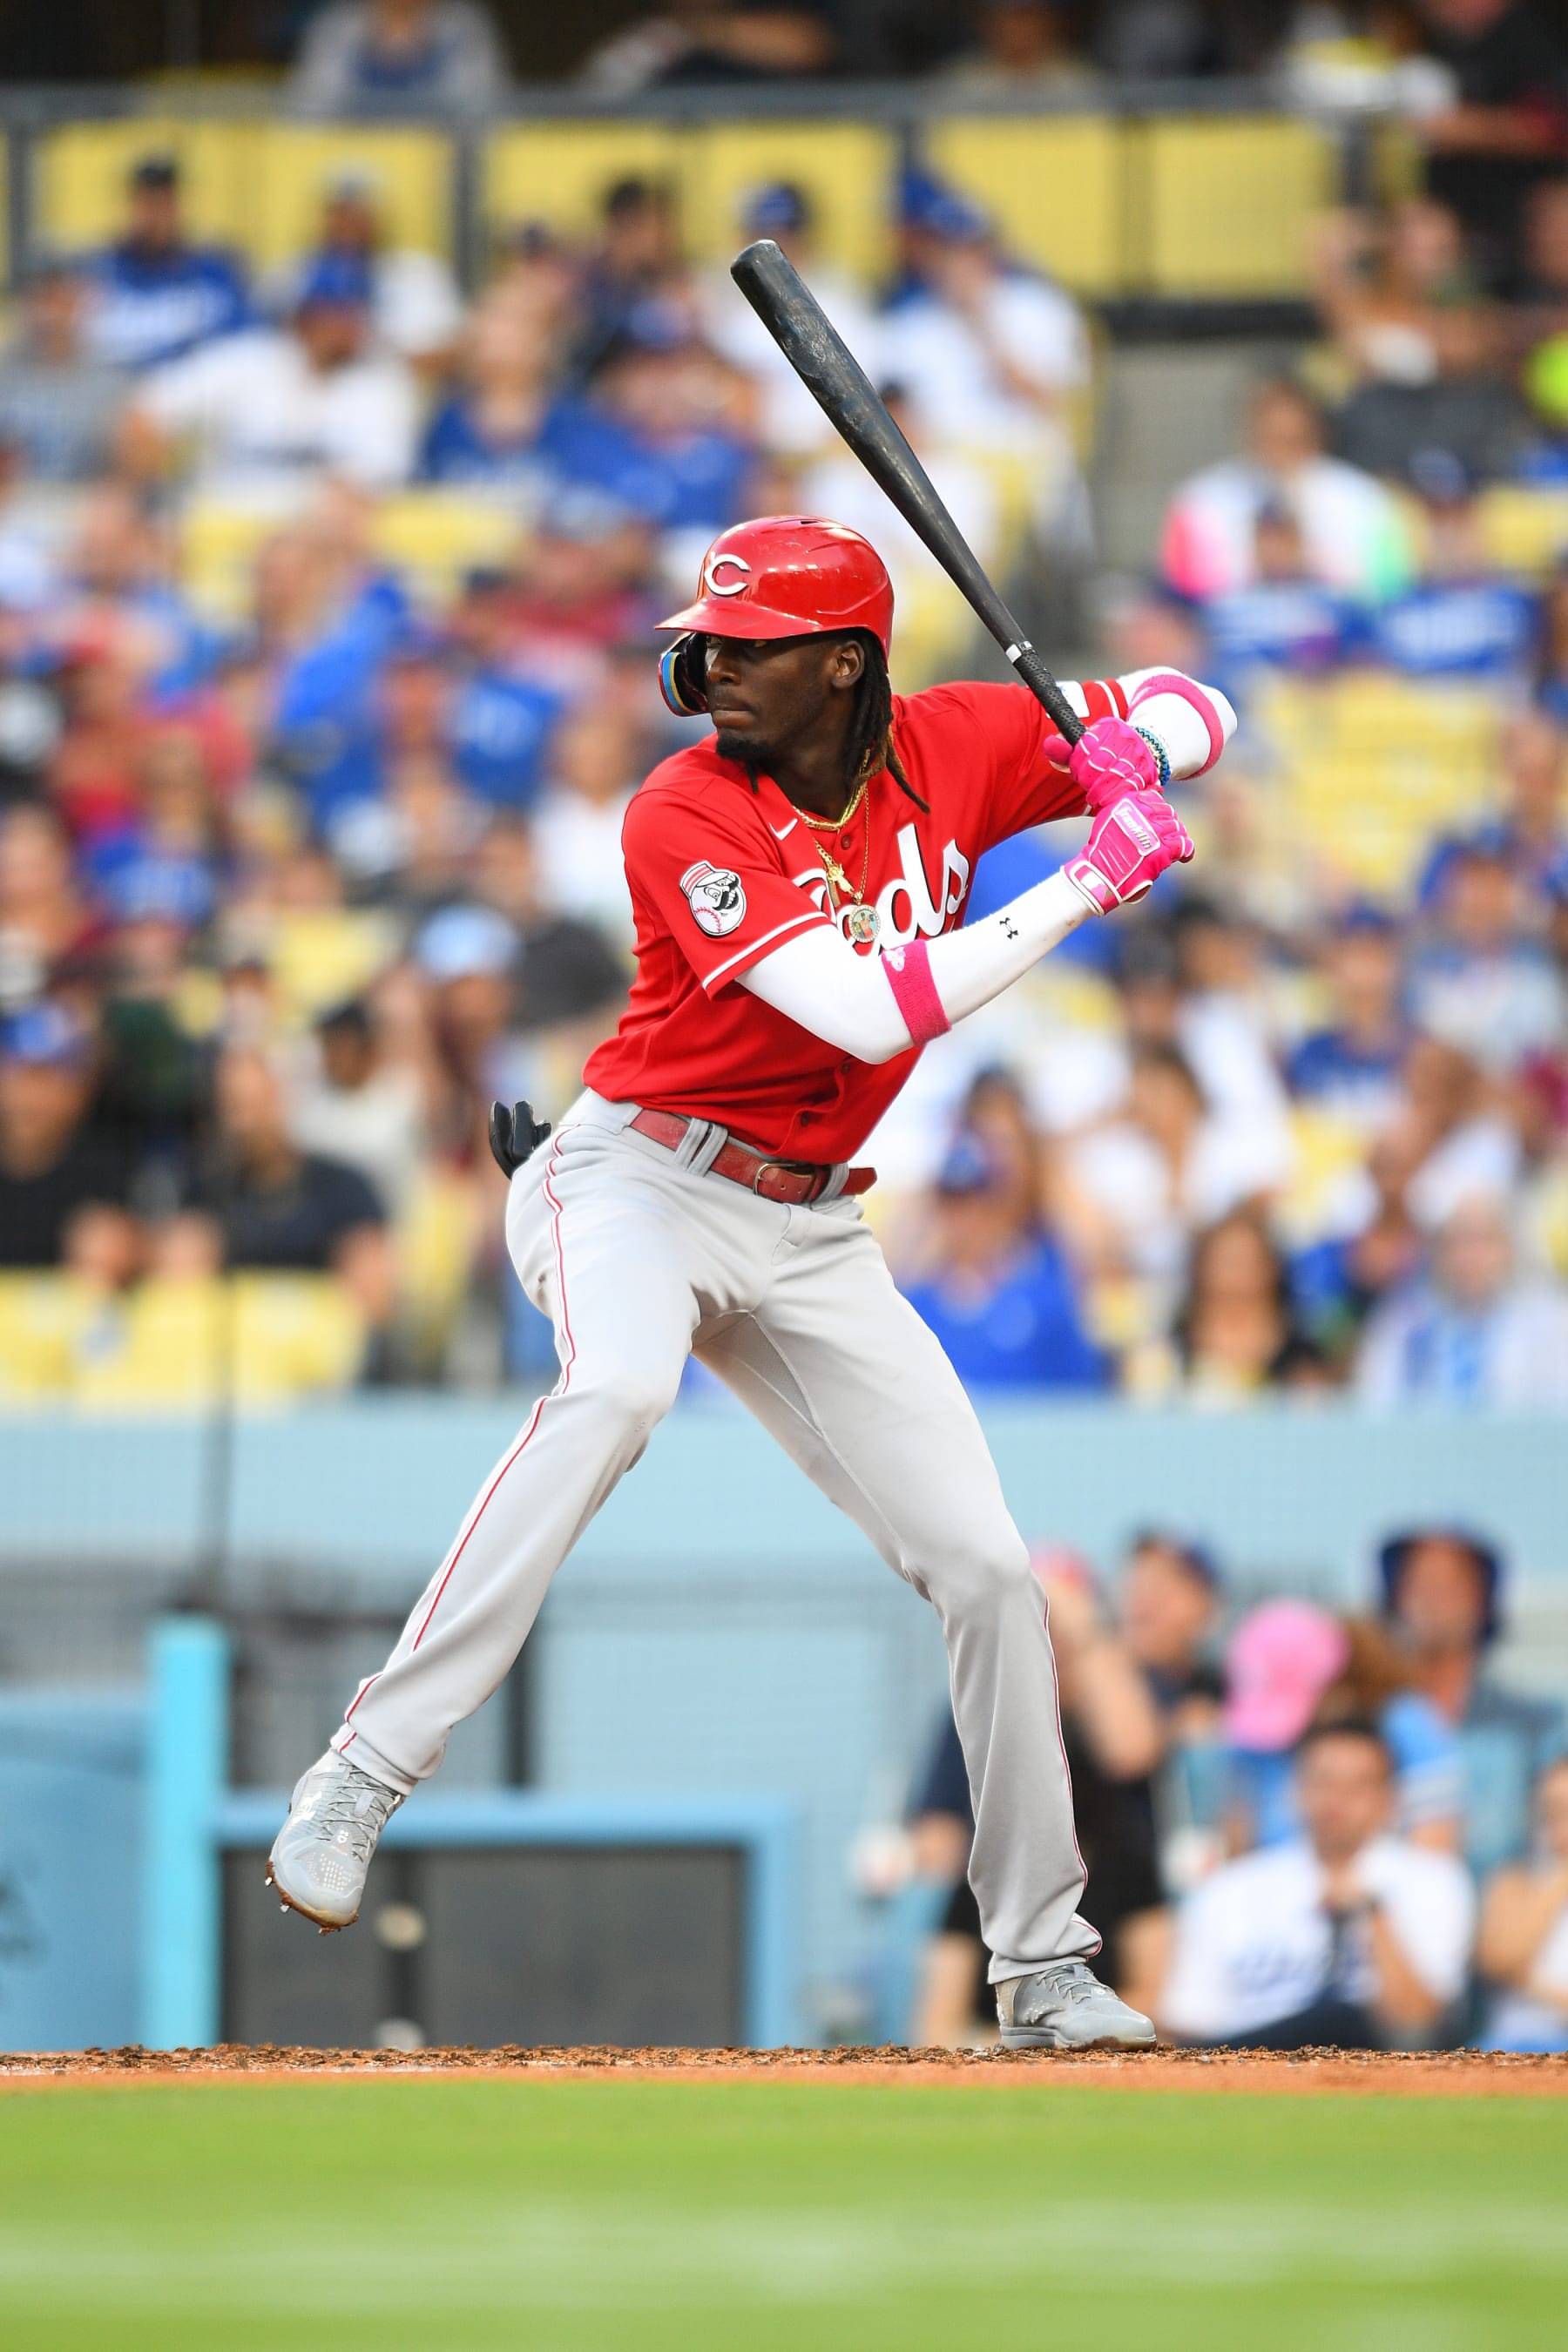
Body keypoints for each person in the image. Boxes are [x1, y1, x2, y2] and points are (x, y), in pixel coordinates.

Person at [267, 510, 1236, 2055]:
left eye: (749, 644)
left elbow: (1204, 704)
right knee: (617, 1389)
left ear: (844, 665)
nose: (709, 663)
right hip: (631, 1178)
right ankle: (362, 1775)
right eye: (704, 639)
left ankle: (1045, 1966)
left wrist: (1144, 745)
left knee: (992, 1571)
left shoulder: (964, 745)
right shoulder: (683, 807)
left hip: (811, 1225)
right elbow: (861, 1012)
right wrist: (1082, 883)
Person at [909, 1548, 1166, 2044]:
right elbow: (934, 1842)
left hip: (1112, 1883)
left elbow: (1130, 1751)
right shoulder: (978, 1705)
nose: (1046, 1633)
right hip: (994, 1880)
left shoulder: (1119, 1689)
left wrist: (1085, 1637)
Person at [1161, 1720, 1475, 2049]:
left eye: (1357, 1786)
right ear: (1295, 1789)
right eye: (1323, 1781)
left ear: (1388, 1799)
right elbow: (1189, 2025)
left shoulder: (1433, 1880)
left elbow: (1419, 2023)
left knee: (1342, 2019)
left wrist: (1373, 1913)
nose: (1336, 1800)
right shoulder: (1230, 1889)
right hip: (1249, 2069)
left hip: (1371, 2069)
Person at [121, 255, 420, 500]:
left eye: (355, 313)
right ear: (304, 316)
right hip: (226, 528)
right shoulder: (250, 360)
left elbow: (382, 478)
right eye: (335, 313)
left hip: (317, 542)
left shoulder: (384, 384)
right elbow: (146, 408)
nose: (347, 326)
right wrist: (151, 488)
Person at [1379, 1526, 1566, 1875]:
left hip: (1504, 1922)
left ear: (1485, 1599)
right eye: (1419, 1582)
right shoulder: (1370, 1721)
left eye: (1450, 1585)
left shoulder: (1540, 1724)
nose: (1433, 1598)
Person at [1223, 1599, 1463, 1855]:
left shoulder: (1407, 1728)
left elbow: (1433, 1856)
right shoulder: (1251, 1743)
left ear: (1339, 1683)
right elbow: (1237, 1852)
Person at [190, 1044, 394, 1332]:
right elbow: (181, 1290)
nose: (245, 1125)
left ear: (283, 1098)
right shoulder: (208, 1194)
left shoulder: (344, 1187)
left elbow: (374, 1298)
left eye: (256, 1104)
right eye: (234, 1108)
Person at [1160, 377, 1414, 605]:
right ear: (1249, 434)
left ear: (1317, 434)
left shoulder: (1366, 499)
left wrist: (1310, 560)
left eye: (1293, 438)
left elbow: (1389, 590)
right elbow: (1181, 592)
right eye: (1270, 436)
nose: (1281, 451)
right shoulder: (1199, 500)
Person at [897, 1129, 1106, 1391]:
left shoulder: (1044, 1300)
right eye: (955, 1204)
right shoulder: (913, 1308)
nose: (966, 1219)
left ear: (999, 1209)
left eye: (979, 1203)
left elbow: (1086, 1395)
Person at [1355, 1192, 1568, 1408]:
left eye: (1484, 1240)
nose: (1470, 1255)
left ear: (1509, 1247)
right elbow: (1375, 1401)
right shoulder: (1405, 1320)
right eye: (1458, 1241)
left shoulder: (1548, 1319)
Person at [275, 168, 464, 370]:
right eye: (341, 213)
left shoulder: (420, 272)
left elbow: (454, 350)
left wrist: (379, 357)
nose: (350, 223)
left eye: (360, 212)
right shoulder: (292, 275)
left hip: (399, 389)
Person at [79, 154, 248, 375]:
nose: (156, 216)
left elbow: (246, 346)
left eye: (165, 203)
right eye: (147, 202)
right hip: (112, 397)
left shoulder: (215, 273)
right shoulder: (97, 274)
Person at [0, 1000, 130, 1267]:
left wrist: (131, 1249)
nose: (30, 1096)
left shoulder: (107, 1173)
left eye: (46, 1079)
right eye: (18, 1074)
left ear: (80, 1092)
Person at [0, 257, 125, 485]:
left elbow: (126, 472)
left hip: (85, 508)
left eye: (59, 301)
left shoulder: (111, 381)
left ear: (78, 304)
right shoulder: (4, 372)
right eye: (39, 300)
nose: (48, 314)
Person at [1478, 1754, 1568, 2050]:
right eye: (1554, 1811)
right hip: (1509, 2044)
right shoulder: (1512, 1881)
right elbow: (1497, 1960)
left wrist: (1528, 1982)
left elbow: (1513, 1969)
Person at [288, 0, 510, 115]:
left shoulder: (463, 27)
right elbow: (308, 115)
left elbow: (484, 114)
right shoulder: (336, 27)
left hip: (441, 173)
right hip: (353, 171)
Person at [932, 0, 1102, 98]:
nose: (1016, 27)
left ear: (1049, 21)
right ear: (987, 23)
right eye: (1006, 18)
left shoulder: (1084, 85)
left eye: (1027, 17)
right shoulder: (956, 85)